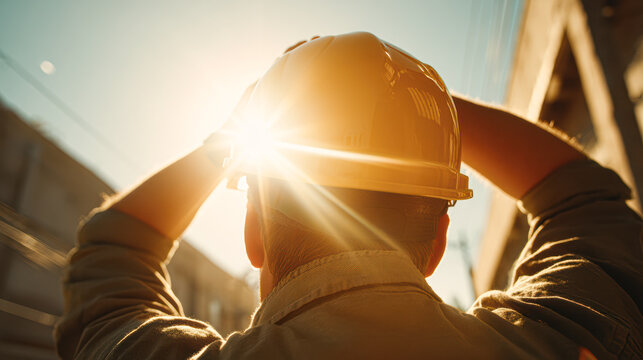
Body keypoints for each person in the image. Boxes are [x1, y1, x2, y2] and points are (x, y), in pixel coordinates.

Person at [55, 32, 642, 359]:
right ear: (438, 242)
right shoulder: (559, 341)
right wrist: (423, 108)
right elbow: (583, 200)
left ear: (253, 235)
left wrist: (229, 140)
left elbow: (113, 254)